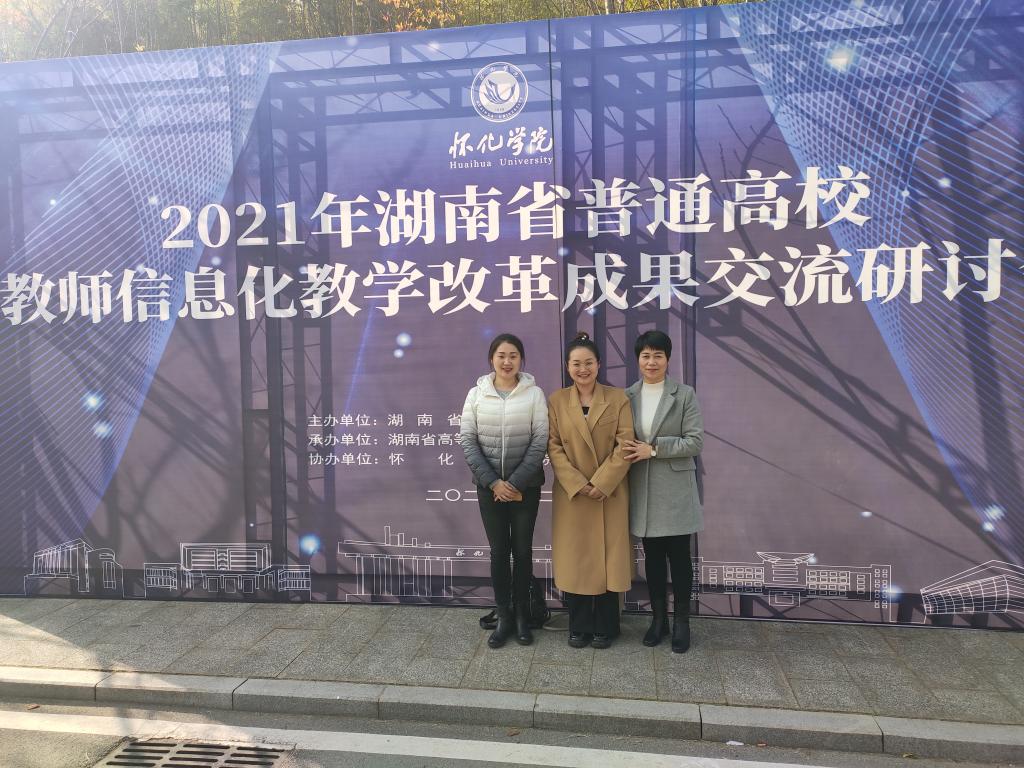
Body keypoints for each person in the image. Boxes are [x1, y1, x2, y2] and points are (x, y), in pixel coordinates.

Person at [460, 333, 548, 648]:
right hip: (489, 489)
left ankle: (523, 614)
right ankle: (504, 615)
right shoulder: (476, 394)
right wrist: (494, 483)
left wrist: (514, 483)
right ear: (491, 359)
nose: (507, 361)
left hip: (526, 487)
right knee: (499, 552)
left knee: (522, 552)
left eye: (513, 355)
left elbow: (540, 440)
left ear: (521, 359)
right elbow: (468, 440)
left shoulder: (534, 394)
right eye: (501, 355)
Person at [547, 332, 635, 649]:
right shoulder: (557, 401)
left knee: (609, 559)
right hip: (573, 495)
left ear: (598, 364)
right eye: (576, 363)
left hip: (609, 493)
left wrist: (602, 482)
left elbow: (626, 444)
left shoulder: (618, 398)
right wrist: (578, 483)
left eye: (588, 363)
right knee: (577, 559)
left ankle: (607, 626)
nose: (582, 369)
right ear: (567, 366)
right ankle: (580, 625)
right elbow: (553, 447)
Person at [623, 330, 704, 653]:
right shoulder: (627, 396)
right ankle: (658, 620)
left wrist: (654, 449)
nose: (652, 361)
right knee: (653, 558)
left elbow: (694, 442)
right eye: (646, 355)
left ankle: (682, 622)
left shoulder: (684, 394)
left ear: (668, 359)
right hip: (643, 488)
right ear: (638, 360)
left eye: (658, 355)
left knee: (680, 558)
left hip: (676, 489)